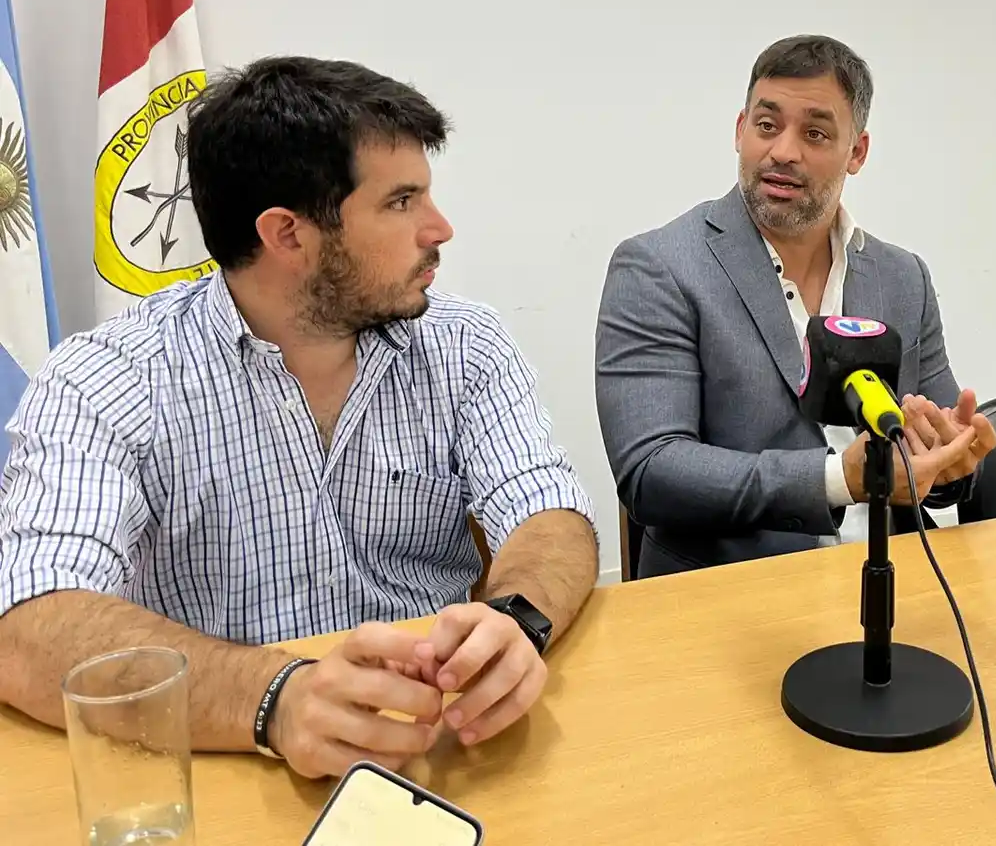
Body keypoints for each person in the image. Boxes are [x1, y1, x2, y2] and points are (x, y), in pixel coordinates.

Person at [0, 57, 598, 779]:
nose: (439, 227)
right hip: (224, 760)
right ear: (288, 234)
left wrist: (515, 620)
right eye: (402, 202)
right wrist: (274, 697)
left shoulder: (466, 342)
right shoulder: (108, 379)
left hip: (441, 744)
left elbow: (551, 512)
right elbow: (30, 625)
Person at [595, 34, 996, 577]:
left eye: (814, 132)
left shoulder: (904, 278)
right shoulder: (659, 267)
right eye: (767, 125)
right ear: (740, 131)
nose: (783, 150)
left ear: (857, 152)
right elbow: (652, 471)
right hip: (724, 605)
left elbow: (937, 456)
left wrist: (953, 460)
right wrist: (841, 480)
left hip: (889, 591)